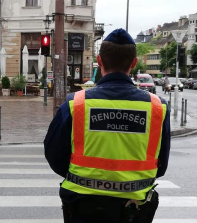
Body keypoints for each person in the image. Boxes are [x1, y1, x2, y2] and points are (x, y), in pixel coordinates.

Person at [44, 29, 170, 223]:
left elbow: (54, 156)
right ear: (134, 63)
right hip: (135, 208)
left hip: (82, 205)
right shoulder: (157, 108)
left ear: (99, 60)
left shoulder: (75, 104)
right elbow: (160, 166)